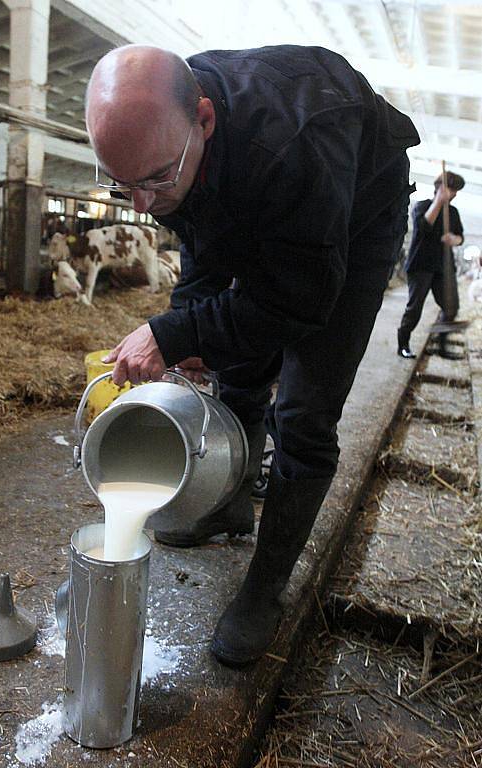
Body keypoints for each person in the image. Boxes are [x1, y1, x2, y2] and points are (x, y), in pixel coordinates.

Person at [85, 44, 420, 666]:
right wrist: (190, 331)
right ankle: (230, 502)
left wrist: (176, 334)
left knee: (305, 410)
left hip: (353, 219)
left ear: (204, 121)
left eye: (155, 179)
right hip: (259, 194)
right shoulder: (170, 140)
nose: (140, 205)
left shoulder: (294, 143)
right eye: (120, 184)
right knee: (235, 369)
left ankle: (265, 588)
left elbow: (300, 301)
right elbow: (203, 246)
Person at [397, 171, 465, 359]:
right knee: (415, 308)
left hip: (443, 267)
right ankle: (403, 344)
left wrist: (455, 239)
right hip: (421, 264)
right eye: (453, 190)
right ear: (441, 188)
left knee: (450, 308)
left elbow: (461, 236)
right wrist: (438, 202)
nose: (455, 194)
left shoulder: (453, 212)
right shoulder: (423, 205)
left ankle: (441, 346)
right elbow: (424, 227)